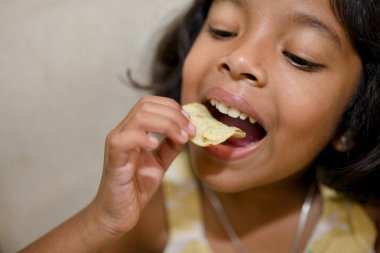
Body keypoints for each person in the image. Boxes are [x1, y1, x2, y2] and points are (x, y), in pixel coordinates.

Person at [20, 0, 380, 252]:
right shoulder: (156, 209)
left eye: (300, 56)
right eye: (223, 30)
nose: (239, 58)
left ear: (353, 119)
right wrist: (99, 221)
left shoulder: (366, 222)